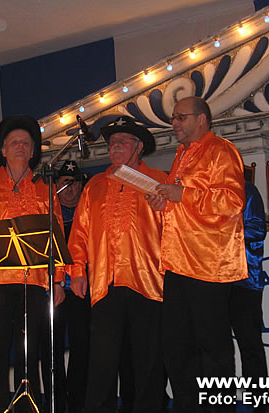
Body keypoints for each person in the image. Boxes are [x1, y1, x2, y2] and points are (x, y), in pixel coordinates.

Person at [147, 96, 247, 413]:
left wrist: (183, 194)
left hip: (208, 265)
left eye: (181, 117)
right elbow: (182, 204)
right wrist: (165, 201)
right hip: (176, 263)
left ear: (201, 119)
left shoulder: (221, 150)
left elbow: (232, 201)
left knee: (213, 348)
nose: (174, 123)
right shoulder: (182, 154)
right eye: (173, 118)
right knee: (177, 347)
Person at [68, 115, 167, 413]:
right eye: (112, 141)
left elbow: (176, 230)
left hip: (148, 282)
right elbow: (79, 233)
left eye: (123, 140)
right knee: (102, 360)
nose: (116, 145)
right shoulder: (95, 185)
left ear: (139, 147)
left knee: (149, 361)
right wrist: (77, 271)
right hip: (105, 283)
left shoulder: (160, 181)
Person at [0, 114, 65, 413]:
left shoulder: (45, 188)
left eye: (26, 142)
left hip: (34, 282)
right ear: (3, 150)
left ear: (33, 150)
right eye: (14, 142)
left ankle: (28, 406)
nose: (20, 146)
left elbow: (57, 236)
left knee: (29, 350)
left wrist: (58, 280)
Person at [40, 160, 91, 413]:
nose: (70, 189)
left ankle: (78, 403)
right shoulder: (49, 214)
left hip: (81, 291)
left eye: (75, 183)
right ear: (56, 185)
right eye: (64, 183)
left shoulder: (88, 212)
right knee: (51, 350)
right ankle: (55, 403)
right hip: (53, 291)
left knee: (83, 348)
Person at [230, 182, 268, 413]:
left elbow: (258, 229)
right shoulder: (202, 189)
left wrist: (222, 231)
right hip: (210, 282)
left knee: (250, 345)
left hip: (244, 279)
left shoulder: (246, 190)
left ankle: (259, 403)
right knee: (216, 349)